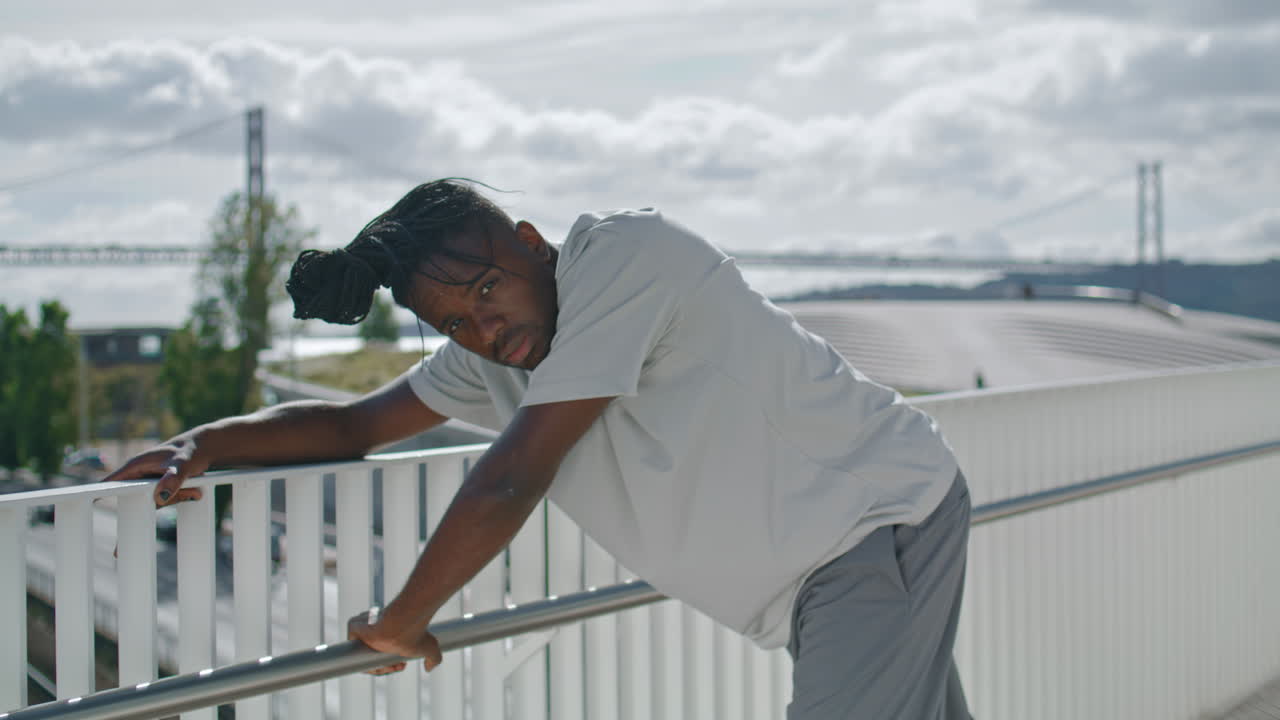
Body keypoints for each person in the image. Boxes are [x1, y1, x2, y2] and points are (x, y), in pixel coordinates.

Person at [105, 179, 973, 718]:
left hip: (871, 530)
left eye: (488, 289)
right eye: (453, 321)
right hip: (818, 571)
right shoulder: (493, 360)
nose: (484, 328)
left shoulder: (629, 258)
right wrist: (205, 442)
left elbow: (512, 478)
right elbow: (353, 426)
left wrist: (402, 621)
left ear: (531, 242)